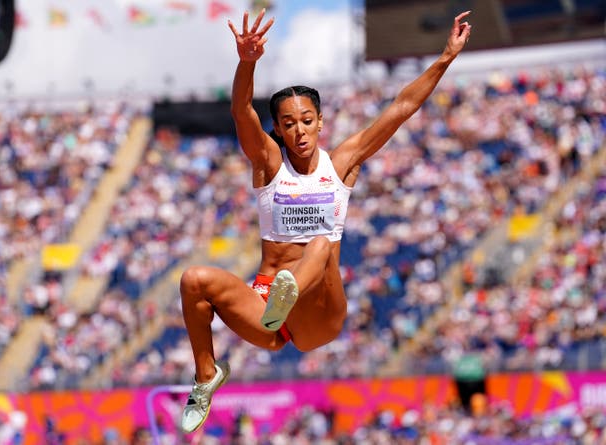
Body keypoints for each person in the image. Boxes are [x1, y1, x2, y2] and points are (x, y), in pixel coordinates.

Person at [179, 8, 472, 433]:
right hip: (268, 311)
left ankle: (290, 292)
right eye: (288, 124)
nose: (298, 131)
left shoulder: (342, 164)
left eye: (307, 121)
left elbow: (402, 106)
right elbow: (242, 109)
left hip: (319, 311)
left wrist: (445, 58)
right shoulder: (268, 164)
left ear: (320, 123)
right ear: (277, 130)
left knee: (319, 245)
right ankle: (206, 375)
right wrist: (247, 62)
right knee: (192, 279)